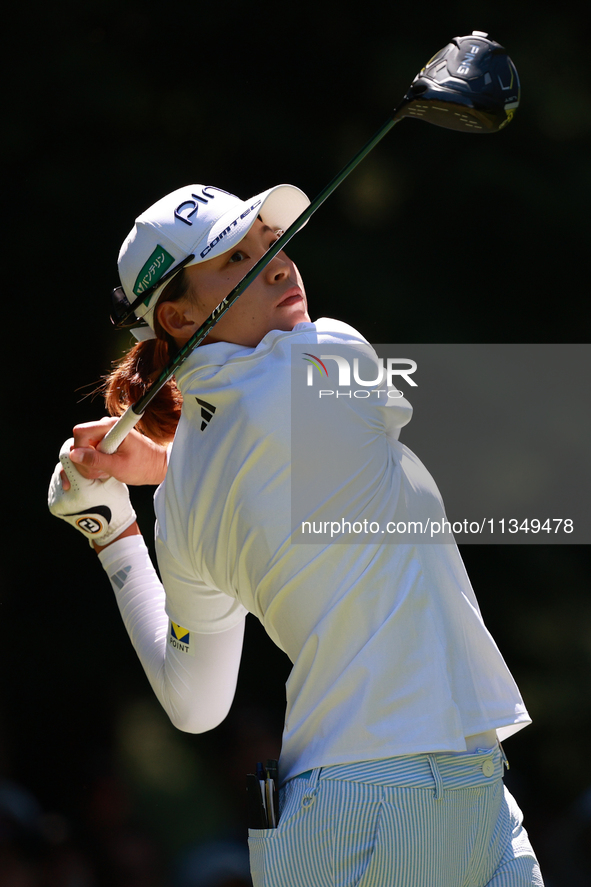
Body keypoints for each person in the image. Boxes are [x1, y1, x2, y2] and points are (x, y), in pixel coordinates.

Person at [48, 182, 544, 886]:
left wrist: (113, 529)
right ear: (179, 315)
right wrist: (158, 464)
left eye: (272, 243)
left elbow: (195, 701)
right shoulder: (330, 353)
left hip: (438, 792)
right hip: (381, 801)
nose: (278, 264)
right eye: (236, 259)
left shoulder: (185, 491)